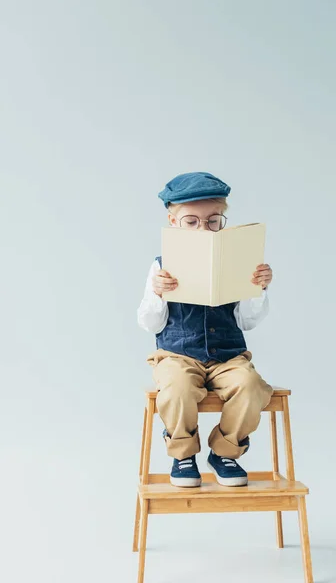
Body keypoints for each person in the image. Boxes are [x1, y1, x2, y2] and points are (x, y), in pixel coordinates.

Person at [137, 172, 273, 488]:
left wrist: (259, 289)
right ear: (173, 222)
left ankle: (225, 451)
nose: (203, 229)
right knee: (177, 389)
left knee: (250, 385)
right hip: (178, 353)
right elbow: (149, 323)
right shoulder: (161, 265)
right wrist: (158, 292)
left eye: (213, 222)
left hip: (227, 355)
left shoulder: (235, 259)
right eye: (191, 222)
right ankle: (183, 453)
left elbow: (247, 321)